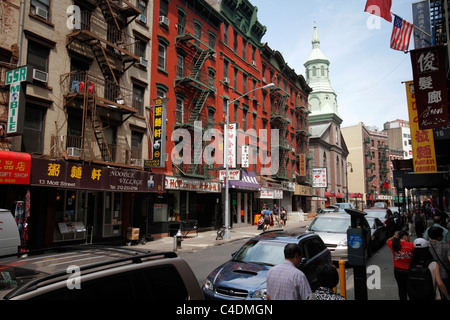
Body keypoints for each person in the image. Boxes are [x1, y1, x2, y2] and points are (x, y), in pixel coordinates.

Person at [387, 230, 414, 300]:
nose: (409, 238)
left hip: (397, 270)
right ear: (405, 236)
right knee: (410, 288)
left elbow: (387, 241)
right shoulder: (411, 245)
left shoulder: (394, 245)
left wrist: (394, 237)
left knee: (401, 288)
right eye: (408, 236)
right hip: (409, 270)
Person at [427, 226, 450, 299]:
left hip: (430, 275)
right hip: (444, 274)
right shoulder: (445, 246)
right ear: (439, 236)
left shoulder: (426, 245)